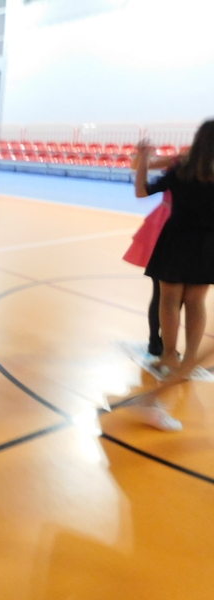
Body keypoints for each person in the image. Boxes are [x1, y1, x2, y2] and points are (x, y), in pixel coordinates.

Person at [133, 120, 214, 429]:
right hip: (208, 245)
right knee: (196, 300)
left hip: (176, 239)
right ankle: (190, 358)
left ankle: (169, 356)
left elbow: (142, 191)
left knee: (169, 299)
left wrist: (143, 160)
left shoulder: (181, 169)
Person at [124, 153, 185, 356]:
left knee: (171, 292)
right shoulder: (182, 159)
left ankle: (162, 341)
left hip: (181, 222)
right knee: (165, 291)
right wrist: (143, 157)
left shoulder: (187, 160)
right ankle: (156, 341)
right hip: (170, 222)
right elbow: (138, 166)